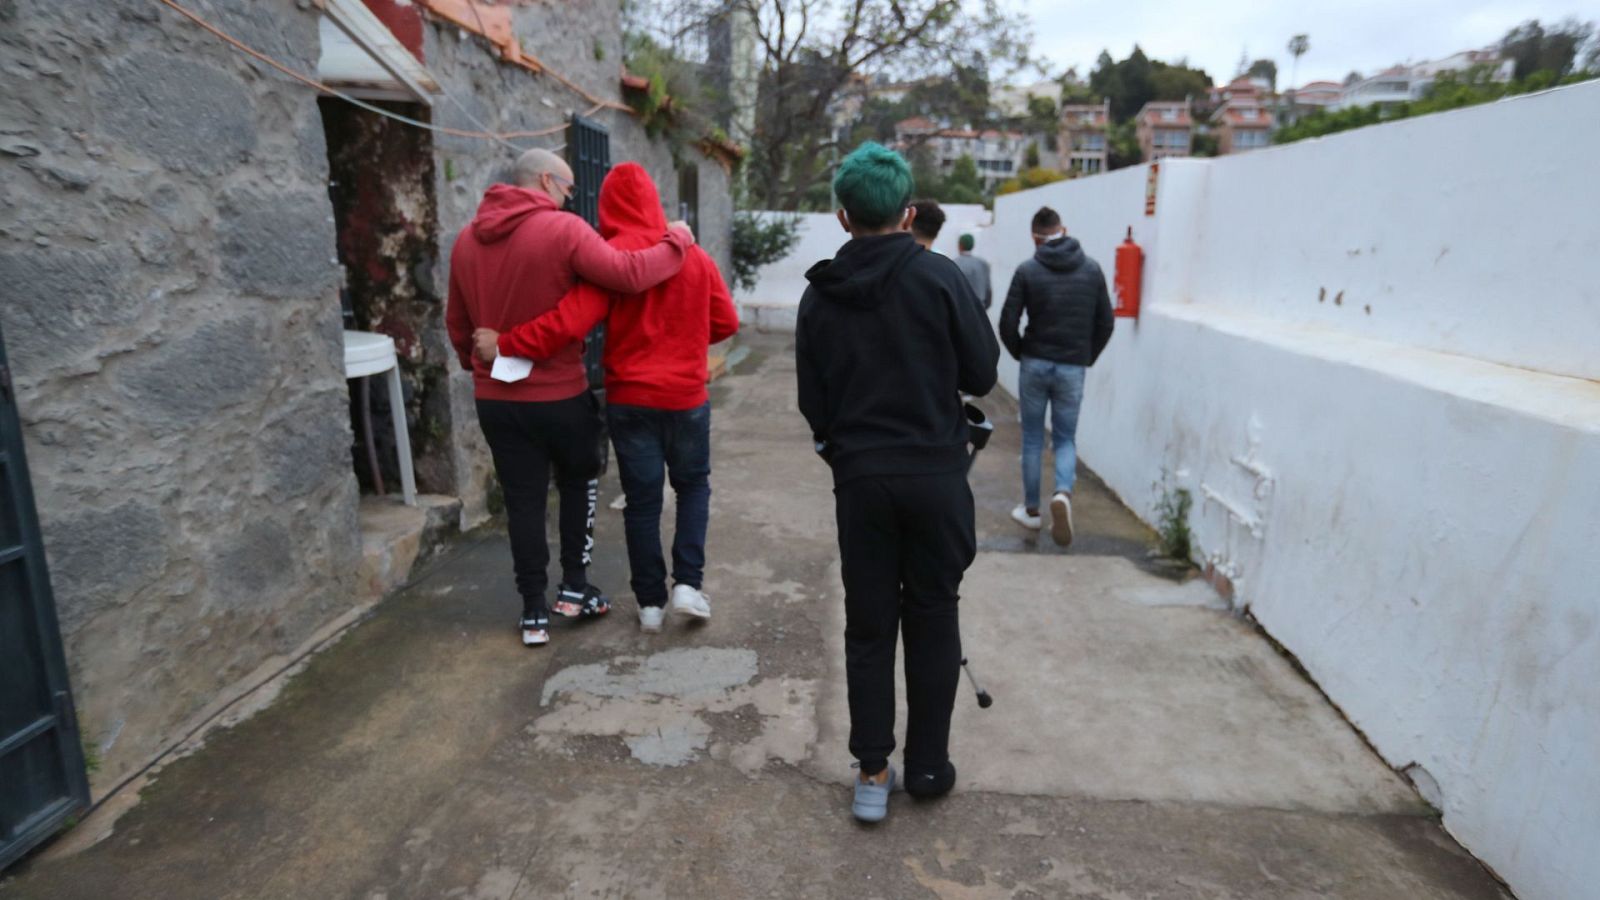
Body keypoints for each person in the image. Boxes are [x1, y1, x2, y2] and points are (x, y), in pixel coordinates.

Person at [795, 142, 999, 823]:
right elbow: (980, 374)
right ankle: (931, 767)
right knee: (935, 612)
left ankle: (873, 772)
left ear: (842, 216)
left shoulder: (819, 295)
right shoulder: (940, 278)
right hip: (938, 476)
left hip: (862, 482)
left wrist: (850, 455)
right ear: (909, 213)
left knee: (870, 625)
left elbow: (813, 405)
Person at [470, 163, 738, 635]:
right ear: (654, 200)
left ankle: (651, 604)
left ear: (608, 207)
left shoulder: (608, 261)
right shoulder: (693, 256)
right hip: (686, 398)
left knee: (641, 501)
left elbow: (571, 321)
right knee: (693, 487)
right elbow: (726, 323)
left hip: (630, 400)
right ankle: (688, 587)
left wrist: (505, 343)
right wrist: (686, 336)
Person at [997, 205, 1114, 548]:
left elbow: (1007, 322)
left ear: (1036, 238)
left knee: (1032, 437)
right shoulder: (1091, 270)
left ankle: (1032, 510)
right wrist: (1086, 356)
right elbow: (1106, 321)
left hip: (1035, 362)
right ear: (1064, 229)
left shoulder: (1028, 270)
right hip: (1072, 366)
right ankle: (1062, 492)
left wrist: (1021, 352)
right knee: (1065, 437)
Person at [953, 233, 993, 310]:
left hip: (960, 309)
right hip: (979, 308)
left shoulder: (954, 263)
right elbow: (988, 290)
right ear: (973, 245)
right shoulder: (983, 264)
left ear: (960, 245)